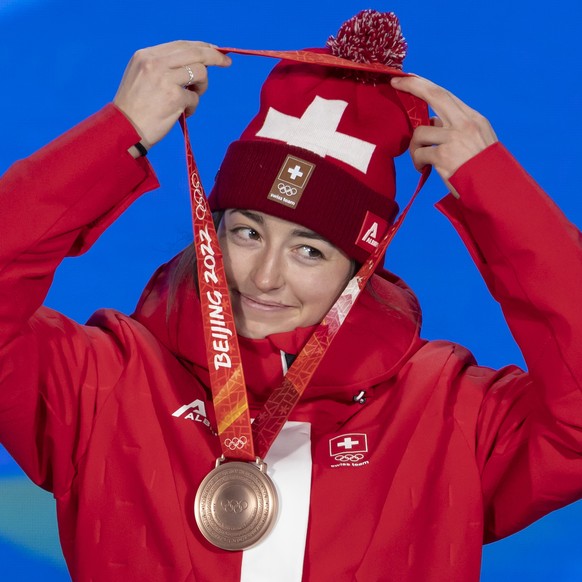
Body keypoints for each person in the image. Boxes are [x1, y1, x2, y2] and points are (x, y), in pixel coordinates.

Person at [1, 9, 581, 582]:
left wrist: (496, 193)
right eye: (247, 232)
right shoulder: (100, 384)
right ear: (211, 228)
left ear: (362, 266)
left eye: (311, 251)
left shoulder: (450, 415)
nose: (264, 278)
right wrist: (115, 136)